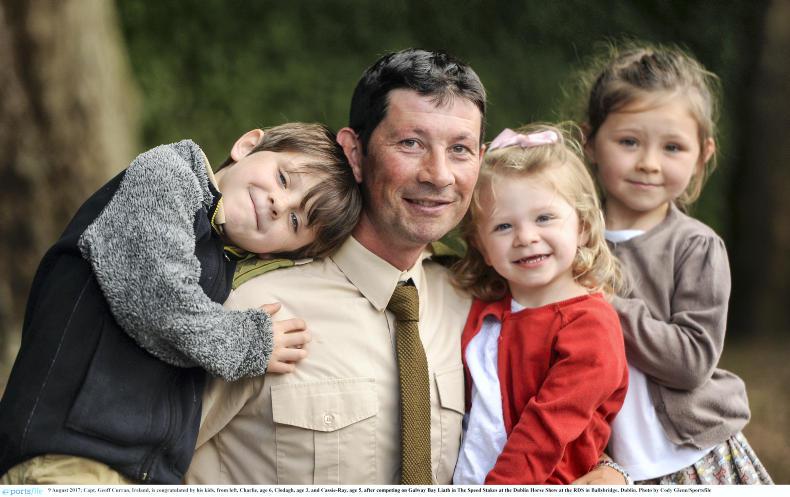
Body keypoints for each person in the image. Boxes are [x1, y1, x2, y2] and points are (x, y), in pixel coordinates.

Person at [185, 49, 628, 486]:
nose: (438, 175)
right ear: (355, 153)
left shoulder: (477, 303)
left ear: (480, 159)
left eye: (459, 149)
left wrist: (608, 471)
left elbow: (537, 415)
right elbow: (136, 459)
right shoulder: (250, 310)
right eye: (411, 144)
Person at [0, 123, 362, 484]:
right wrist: (250, 343)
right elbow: (158, 296)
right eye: (283, 179)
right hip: (66, 459)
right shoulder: (168, 174)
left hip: (142, 476)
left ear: (282, 254)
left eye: (295, 220)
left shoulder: (223, 260)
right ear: (247, 145)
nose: (277, 205)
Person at [580, 43, 773, 484]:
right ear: (590, 141)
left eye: (672, 147)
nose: (648, 163)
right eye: (629, 142)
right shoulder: (568, 238)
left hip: (688, 457)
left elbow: (691, 360)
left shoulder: (696, 247)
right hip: (606, 465)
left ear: (702, 155)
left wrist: (603, 303)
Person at [450, 124, 628, 484]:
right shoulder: (485, 309)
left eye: (544, 218)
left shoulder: (589, 326)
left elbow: (545, 433)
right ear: (481, 246)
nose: (526, 238)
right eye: (503, 227)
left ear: (582, 227)